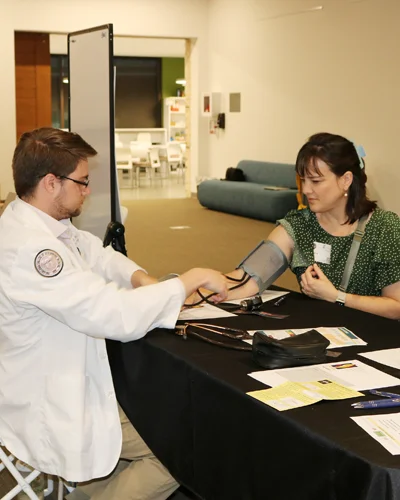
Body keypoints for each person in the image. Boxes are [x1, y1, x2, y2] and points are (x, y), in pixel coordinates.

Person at [0, 127, 228, 500]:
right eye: (82, 182)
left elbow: (95, 252)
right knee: (182, 448)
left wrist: (142, 278)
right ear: (51, 183)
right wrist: (186, 281)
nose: (87, 191)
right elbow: (111, 313)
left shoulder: (35, 222)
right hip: (48, 402)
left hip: (60, 376)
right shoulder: (32, 251)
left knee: (151, 425)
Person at [215, 132, 400, 320]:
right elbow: (246, 280)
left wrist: (337, 297)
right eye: (304, 180)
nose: (306, 190)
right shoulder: (300, 225)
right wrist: (197, 288)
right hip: (322, 338)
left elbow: (396, 307)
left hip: (376, 339)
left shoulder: (385, 228)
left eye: (316, 181)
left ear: (346, 180)